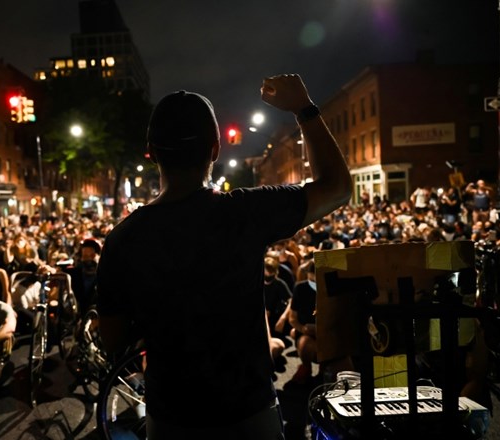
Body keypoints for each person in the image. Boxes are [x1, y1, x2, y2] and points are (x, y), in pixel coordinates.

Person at [97, 74, 352, 439]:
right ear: (215, 149)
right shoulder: (244, 212)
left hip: (171, 419)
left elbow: (114, 341)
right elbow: (338, 187)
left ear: (150, 151)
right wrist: (303, 109)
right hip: (250, 416)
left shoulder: (122, 239)